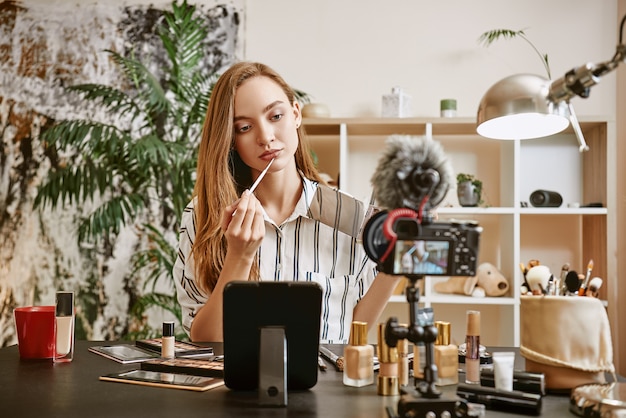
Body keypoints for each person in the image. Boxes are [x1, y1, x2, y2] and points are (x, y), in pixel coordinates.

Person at [173, 61, 401, 343]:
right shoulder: (203, 215)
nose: (266, 137)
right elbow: (205, 341)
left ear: (295, 114)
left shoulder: (353, 218)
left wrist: (396, 262)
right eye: (244, 127)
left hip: (326, 386)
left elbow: (355, 333)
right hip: (233, 386)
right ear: (231, 140)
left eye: (276, 116)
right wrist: (239, 257)